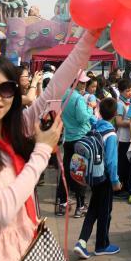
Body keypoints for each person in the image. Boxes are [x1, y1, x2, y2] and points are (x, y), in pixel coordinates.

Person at [0, 30, 99, 261]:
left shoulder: (19, 127)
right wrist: (42, 151)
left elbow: (56, 86)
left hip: (29, 253)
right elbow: (1, 211)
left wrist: (91, 35)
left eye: (5, 89)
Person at [74, 96, 122, 259]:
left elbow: (91, 117)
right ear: (115, 114)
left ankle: (81, 241)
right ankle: (102, 245)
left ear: (100, 112)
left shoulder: (94, 128)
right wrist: (115, 181)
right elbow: (111, 162)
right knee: (105, 212)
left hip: (92, 176)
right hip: (105, 178)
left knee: (94, 209)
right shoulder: (111, 134)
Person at [56, 69, 95, 217]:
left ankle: (62, 203)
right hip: (80, 138)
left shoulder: (64, 95)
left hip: (69, 138)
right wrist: (90, 109)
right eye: (82, 82)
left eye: (85, 82)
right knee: (79, 172)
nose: (84, 84)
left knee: (66, 171)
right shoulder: (78, 98)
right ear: (75, 82)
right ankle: (80, 206)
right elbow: (82, 118)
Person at [115, 77, 131, 195]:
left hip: (128, 137)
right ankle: (120, 188)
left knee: (126, 162)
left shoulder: (128, 102)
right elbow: (119, 122)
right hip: (122, 138)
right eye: (127, 90)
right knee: (122, 163)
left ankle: (125, 186)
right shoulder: (120, 104)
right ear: (120, 91)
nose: (130, 92)